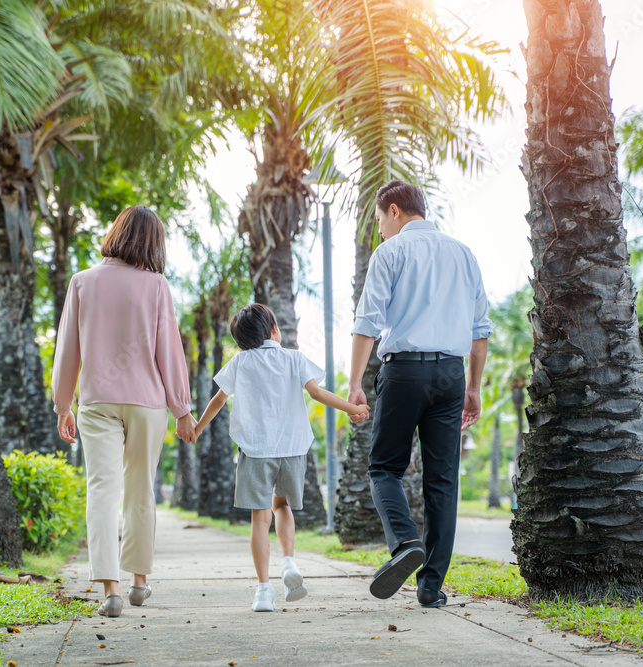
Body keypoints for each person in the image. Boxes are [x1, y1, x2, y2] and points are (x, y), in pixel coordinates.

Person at [347, 180, 491, 606]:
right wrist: (474, 388)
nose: (379, 232)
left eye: (378, 221)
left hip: (404, 372)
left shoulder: (390, 253)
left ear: (394, 211)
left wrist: (355, 383)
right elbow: (479, 332)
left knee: (384, 468)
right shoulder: (464, 253)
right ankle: (431, 586)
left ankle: (405, 542)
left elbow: (367, 323)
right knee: (443, 481)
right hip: (451, 373)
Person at [52, 205, 198, 619]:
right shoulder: (156, 286)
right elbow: (169, 351)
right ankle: (139, 583)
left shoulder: (82, 282)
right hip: (148, 403)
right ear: (153, 242)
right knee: (140, 490)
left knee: (101, 491)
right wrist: (182, 409)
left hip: (96, 401)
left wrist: (63, 405)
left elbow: (68, 350)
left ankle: (109, 590)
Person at [195, 303, 370, 612]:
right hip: (292, 448)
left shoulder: (240, 362)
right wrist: (353, 408)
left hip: (255, 450)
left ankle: (264, 590)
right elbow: (317, 394)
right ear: (274, 330)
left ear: (241, 341)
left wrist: (197, 429)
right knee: (283, 505)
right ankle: (289, 562)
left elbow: (219, 399)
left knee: (260, 518)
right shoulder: (293, 358)